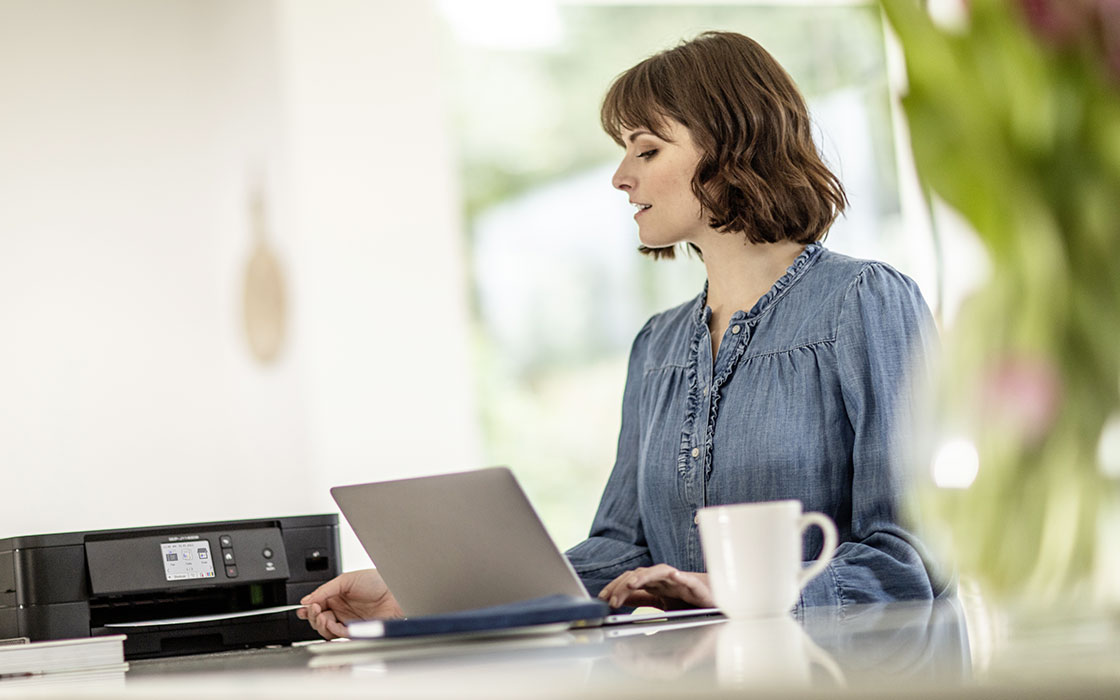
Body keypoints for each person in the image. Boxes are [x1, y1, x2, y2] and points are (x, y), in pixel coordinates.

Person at [299, 31, 948, 640]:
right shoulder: (657, 348)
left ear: (731, 148)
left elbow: (912, 554)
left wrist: (734, 589)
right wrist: (426, 595)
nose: (620, 176)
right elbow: (618, 552)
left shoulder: (864, 304)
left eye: (647, 149)